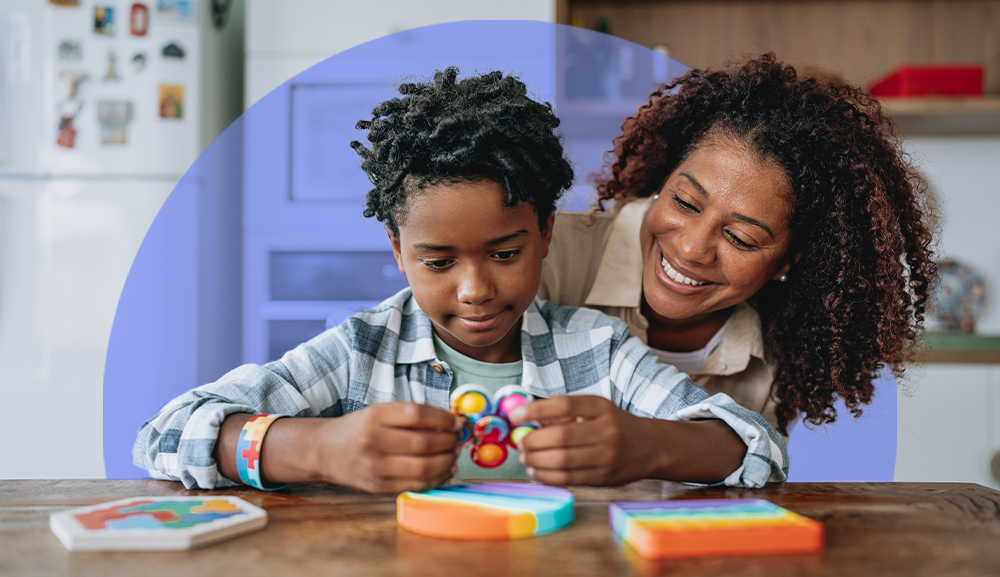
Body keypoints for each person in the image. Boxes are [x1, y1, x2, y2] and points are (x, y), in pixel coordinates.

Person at [133, 68, 787, 494]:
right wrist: (313, 446)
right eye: (439, 262)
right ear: (397, 251)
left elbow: (757, 446)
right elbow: (165, 433)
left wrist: (650, 442)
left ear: (545, 236)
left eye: (504, 253)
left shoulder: (597, 348)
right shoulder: (362, 352)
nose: (474, 289)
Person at [539, 53, 936, 437]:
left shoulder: (787, 350)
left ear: (788, 262)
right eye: (685, 202)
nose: (693, 249)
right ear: (664, 177)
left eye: (740, 239)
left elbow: (745, 472)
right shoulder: (548, 257)